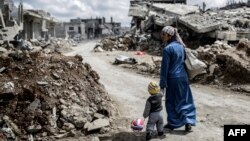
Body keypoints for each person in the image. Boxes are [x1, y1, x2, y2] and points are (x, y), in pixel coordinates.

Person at [159, 26, 196, 132]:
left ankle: (172, 123)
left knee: (171, 101)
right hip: (183, 77)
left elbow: (164, 69)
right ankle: (188, 121)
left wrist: (162, 85)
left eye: (164, 34)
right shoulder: (181, 46)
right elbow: (183, 62)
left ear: (170, 36)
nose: (162, 36)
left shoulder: (167, 49)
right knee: (185, 100)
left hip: (172, 79)